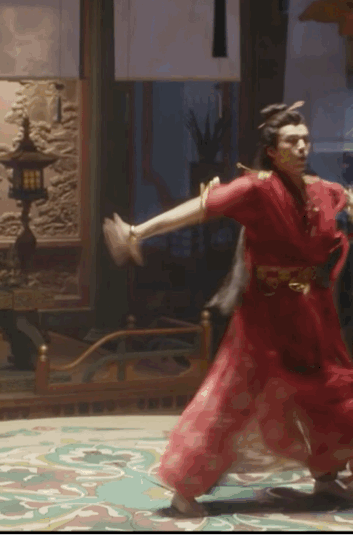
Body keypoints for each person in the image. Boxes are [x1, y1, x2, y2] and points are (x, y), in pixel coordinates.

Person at [104, 101, 353, 517]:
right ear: (271, 150)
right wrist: (138, 231)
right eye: (292, 141)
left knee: (332, 389)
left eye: (306, 140)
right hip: (266, 316)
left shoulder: (320, 190)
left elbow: (347, 199)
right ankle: (185, 488)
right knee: (233, 397)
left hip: (313, 312)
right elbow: (200, 209)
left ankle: (327, 476)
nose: (302, 147)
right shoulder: (255, 189)